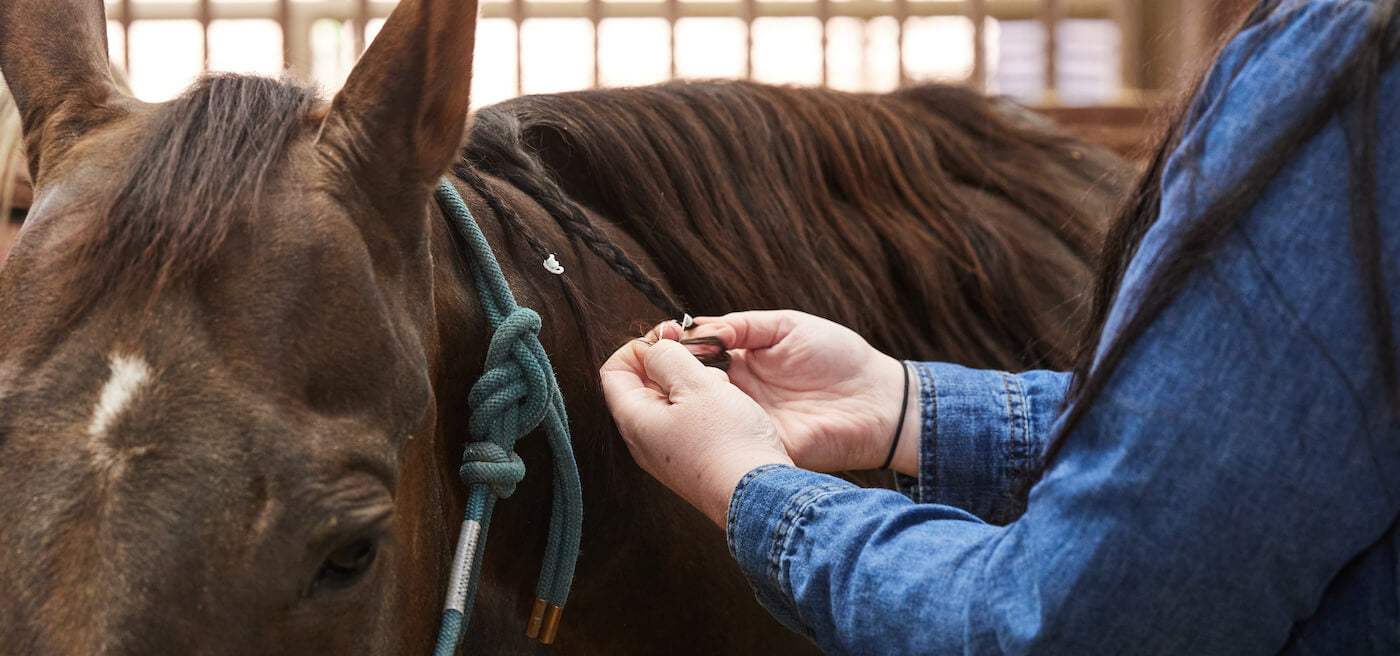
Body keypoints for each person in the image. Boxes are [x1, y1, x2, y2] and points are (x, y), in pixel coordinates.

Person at [600, 0, 1400, 653]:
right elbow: (1267, 440)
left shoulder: (1359, 58)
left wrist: (751, 487)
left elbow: (1075, 630)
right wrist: (906, 406)